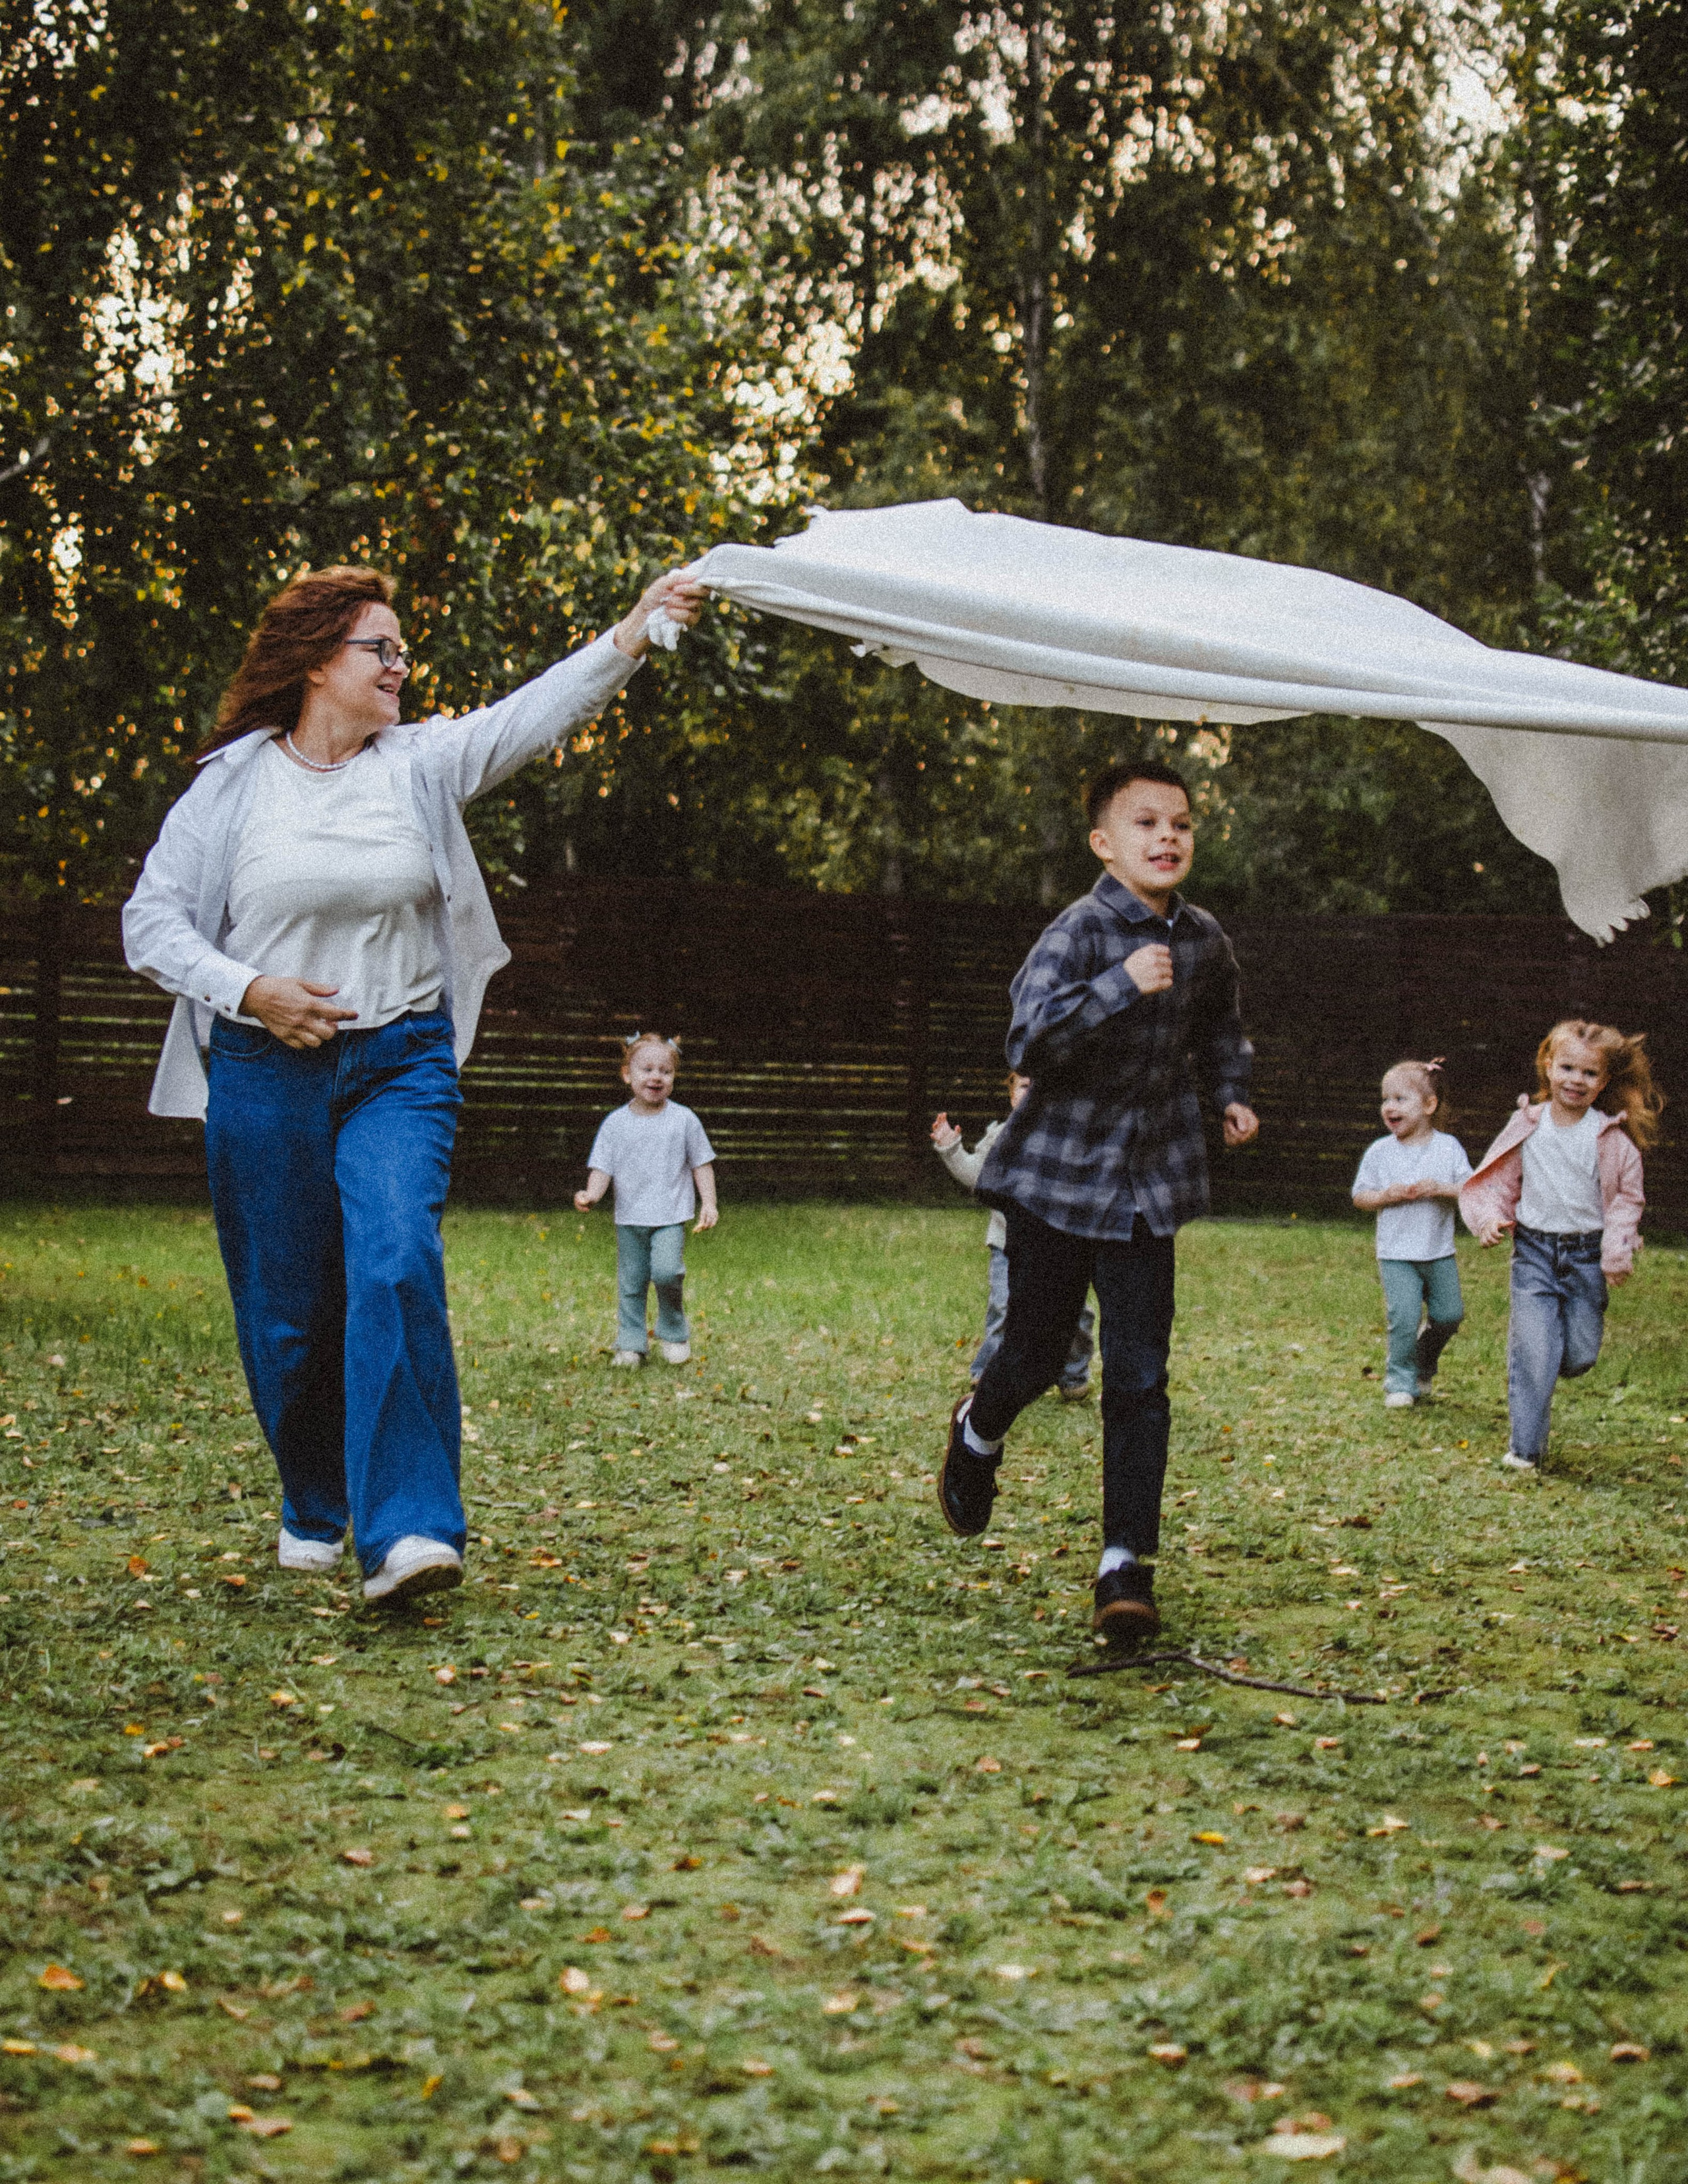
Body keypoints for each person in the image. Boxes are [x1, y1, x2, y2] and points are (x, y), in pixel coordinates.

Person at [123, 560, 704, 1605]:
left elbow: (532, 715)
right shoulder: (231, 786)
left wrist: (631, 631)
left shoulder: (420, 765)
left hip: (401, 1061)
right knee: (289, 1313)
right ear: (315, 663)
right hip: (265, 1071)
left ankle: (410, 1533)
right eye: (378, 649)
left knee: (394, 1261)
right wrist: (250, 989)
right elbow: (151, 926)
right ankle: (315, 1501)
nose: (400, 665)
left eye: (401, 648)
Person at [936, 756, 1258, 1641]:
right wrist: (1119, 988)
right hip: (1058, 1181)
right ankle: (979, 1427)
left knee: (1141, 1375)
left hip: (1149, 1186)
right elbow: (1028, 1041)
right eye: (1147, 824)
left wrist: (1232, 1090)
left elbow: (1223, 1027)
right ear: (1104, 843)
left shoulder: (1202, 942)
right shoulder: (1078, 932)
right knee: (1036, 1353)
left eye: (1182, 823)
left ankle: (1126, 1566)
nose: (1168, 837)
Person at [1461, 1018, 1658, 1474]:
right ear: (1549, 1066)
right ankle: (1524, 1449)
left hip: (1587, 1256)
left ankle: (1551, 1360)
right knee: (1534, 1350)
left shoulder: (1611, 1137)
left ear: (1604, 1081)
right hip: (1533, 1254)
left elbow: (1628, 1199)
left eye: (1589, 1073)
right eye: (1567, 1068)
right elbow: (1498, 1180)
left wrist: (1617, 1250)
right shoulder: (1528, 1123)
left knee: (1580, 1354)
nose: (1576, 1080)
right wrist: (1489, 1218)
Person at [930, 1072, 1095, 1398]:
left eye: (1041, 1085)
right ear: (1011, 1096)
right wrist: (951, 1148)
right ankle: (988, 1373)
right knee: (1004, 1308)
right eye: (1024, 1086)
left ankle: (1073, 1374)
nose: (1032, 1092)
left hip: (1064, 1244)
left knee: (1075, 1312)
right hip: (1009, 1243)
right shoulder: (1001, 1137)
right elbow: (977, 1176)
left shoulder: (1070, 1137)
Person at [574, 1032, 717, 1366]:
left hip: (669, 1216)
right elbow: (602, 1167)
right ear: (627, 1074)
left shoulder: (684, 1120)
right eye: (647, 1069)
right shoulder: (615, 1124)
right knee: (632, 1282)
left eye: (665, 1071)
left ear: (673, 1078)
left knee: (668, 1273)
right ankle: (631, 1343)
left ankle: (673, 1331)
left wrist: (708, 1203)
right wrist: (592, 1194)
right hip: (630, 1218)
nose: (656, 1077)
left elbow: (702, 1163)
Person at [1350, 1059, 1472, 1409]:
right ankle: (1400, 1382)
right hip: (1396, 1254)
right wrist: (1386, 1196)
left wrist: (1442, 1189)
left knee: (1450, 1315)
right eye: (1386, 1099)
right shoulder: (1380, 1152)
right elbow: (1360, 1197)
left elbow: (1470, 1188)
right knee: (1403, 1317)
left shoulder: (1448, 1148)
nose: (1390, 1107)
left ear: (1429, 1105)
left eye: (1401, 1099)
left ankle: (1424, 1361)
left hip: (1438, 1252)